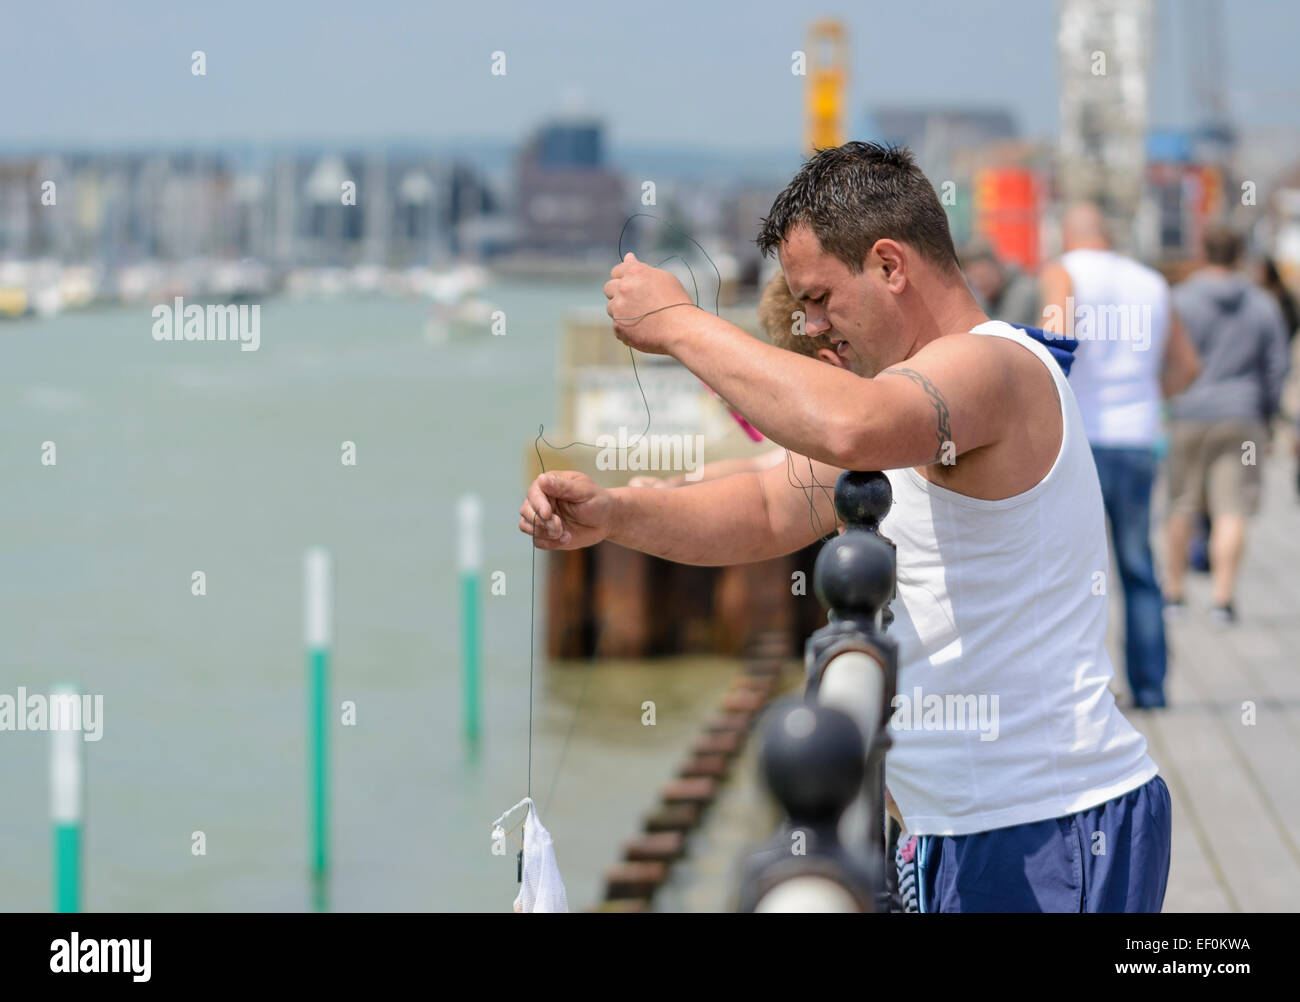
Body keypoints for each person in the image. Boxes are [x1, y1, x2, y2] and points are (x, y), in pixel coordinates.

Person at [521, 142, 1170, 912]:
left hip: (1047, 824)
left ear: (890, 265)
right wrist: (615, 515)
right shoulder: (912, 410)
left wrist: (676, 322)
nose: (813, 326)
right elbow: (768, 505)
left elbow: (849, 428)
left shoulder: (994, 368)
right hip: (959, 826)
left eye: (821, 298)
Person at [1039, 204, 1200, 709]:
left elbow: (1053, 348)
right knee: (1137, 562)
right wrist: (1149, 401)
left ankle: (1078, 690)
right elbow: (1186, 365)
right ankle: (1149, 685)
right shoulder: (1151, 281)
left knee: (1070, 571)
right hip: (1136, 437)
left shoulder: (1062, 271)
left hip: (1081, 438)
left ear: (1069, 234)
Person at [1163, 225, 1291, 623]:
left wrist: (1168, 400)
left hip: (1188, 413)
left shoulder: (1179, 299)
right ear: (1239, 257)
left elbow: (1164, 355)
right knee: (1232, 508)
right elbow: (1277, 366)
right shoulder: (1261, 304)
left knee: (1181, 504)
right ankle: (1222, 599)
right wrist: (1267, 418)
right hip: (1243, 414)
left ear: (1202, 252)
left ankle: (1175, 594)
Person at [961, 241, 1042, 329]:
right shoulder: (984, 295)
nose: (980, 283)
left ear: (998, 268)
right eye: (974, 279)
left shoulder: (1023, 290)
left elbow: (1007, 330)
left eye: (984, 276)